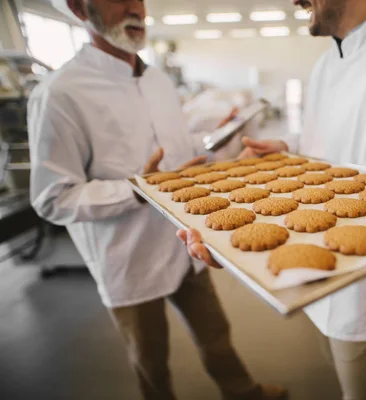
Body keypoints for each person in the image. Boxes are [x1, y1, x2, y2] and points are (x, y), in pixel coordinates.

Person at [179, 0, 366, 399]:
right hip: (317, 263)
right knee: (333, 359)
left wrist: (250, 232)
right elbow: (329, 145)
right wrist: (287, 150)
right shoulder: (329, 61)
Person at [30, 1, 286, 399]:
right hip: (127, 257)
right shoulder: (61, 93)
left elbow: (178, 162)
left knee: (216, 335)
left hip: (184, 241)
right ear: (80, 8)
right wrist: (136, 188)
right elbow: (52, 198)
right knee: (151, 362)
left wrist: (222, 155)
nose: (135, 7)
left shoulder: (158, 82)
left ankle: (243, 393)